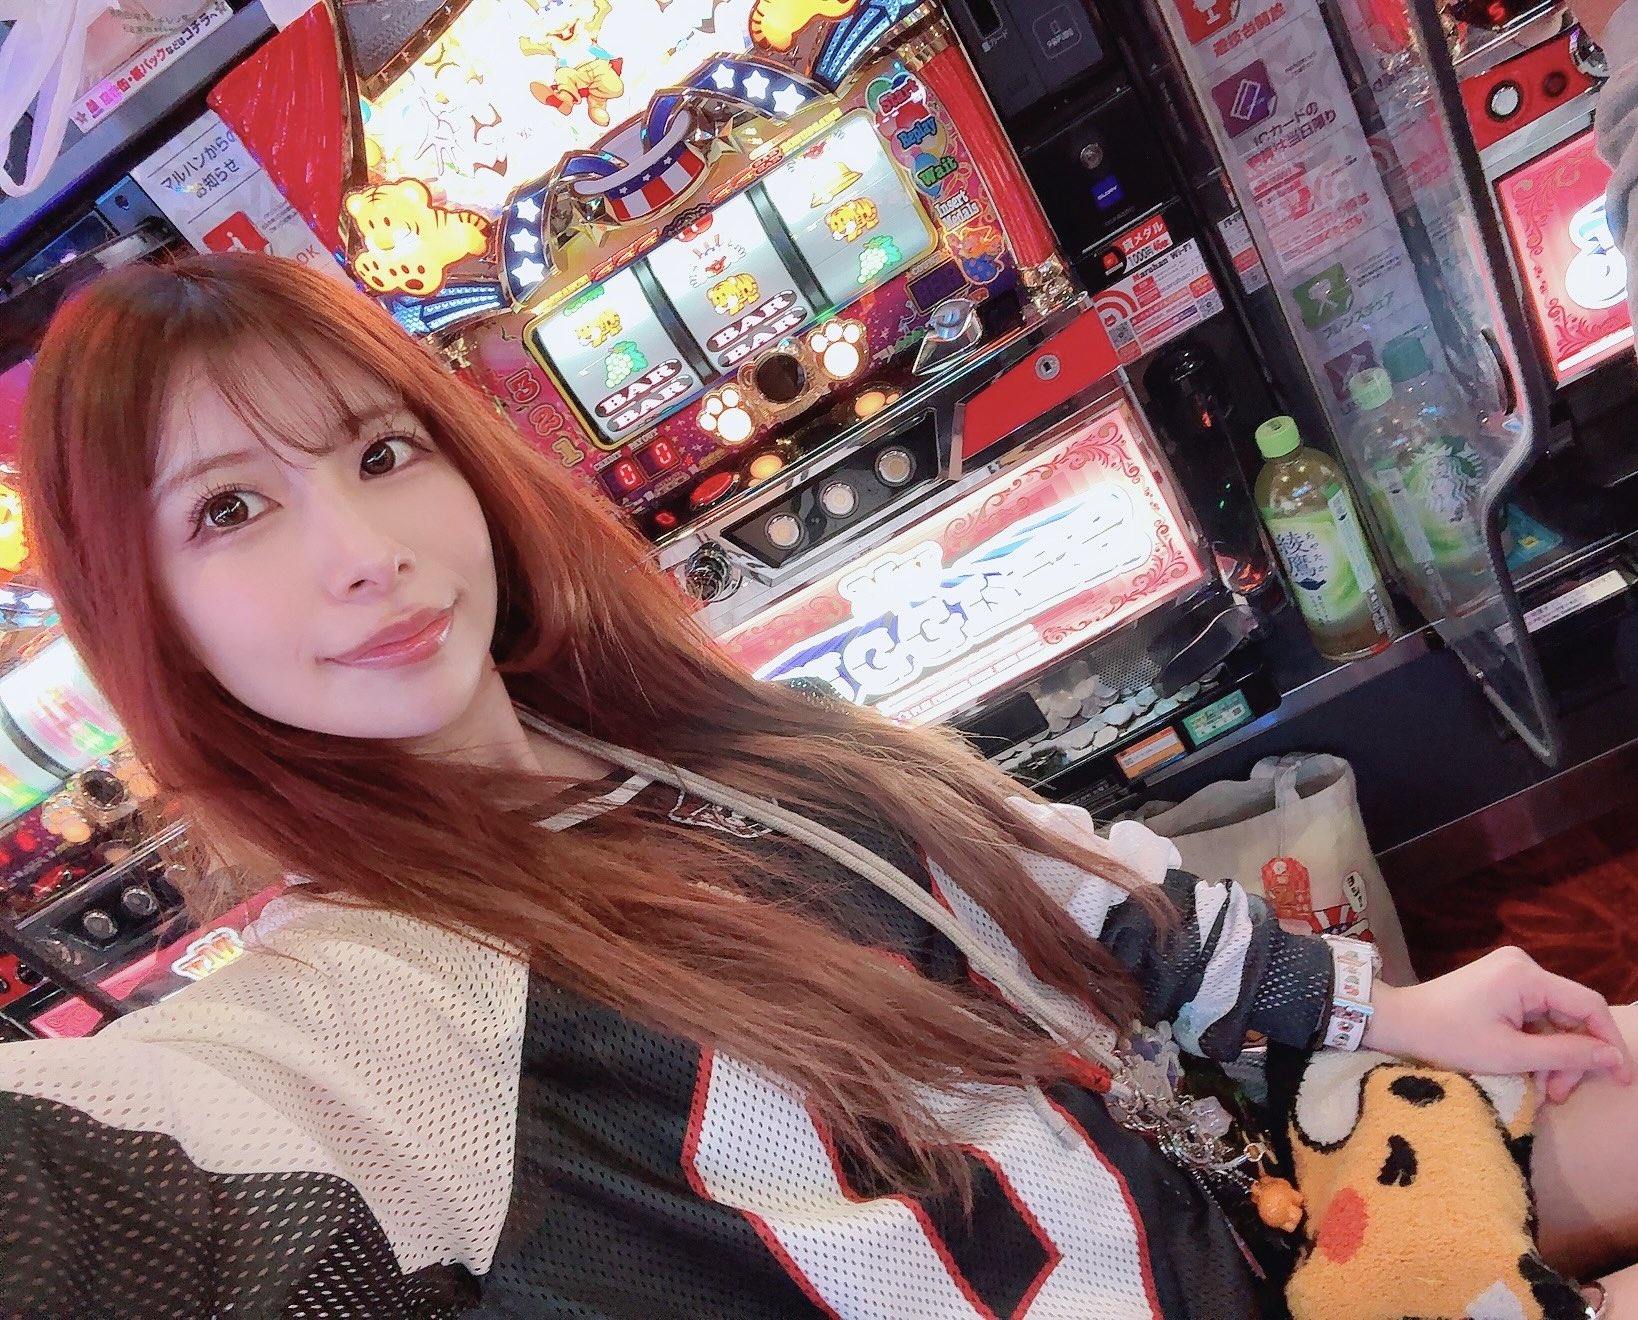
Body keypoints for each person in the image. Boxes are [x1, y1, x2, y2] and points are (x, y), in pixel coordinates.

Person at [0, 252, 1634, 1318]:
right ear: (143, 616)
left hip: (1256, 1200)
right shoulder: (369, 1009)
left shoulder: (689, 732)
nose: (362, 551)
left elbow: (1057, 877)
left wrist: (1373, 1006)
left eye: (379, 452)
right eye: (227, 511)